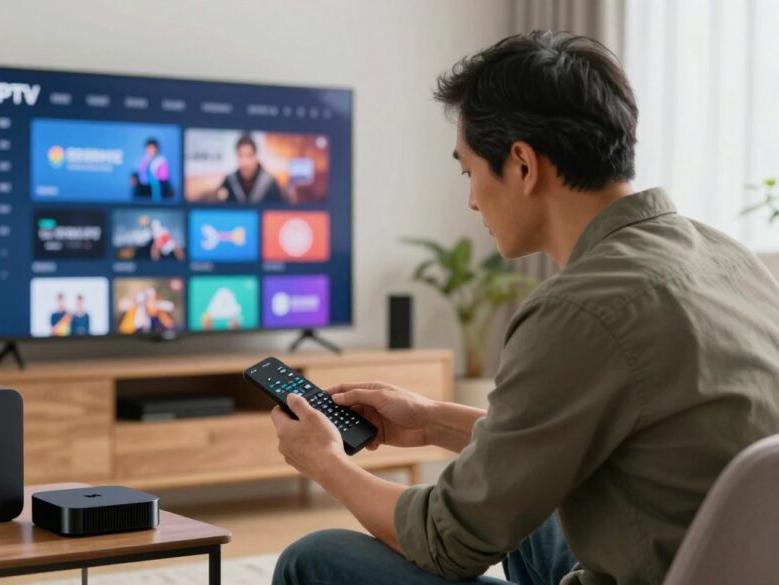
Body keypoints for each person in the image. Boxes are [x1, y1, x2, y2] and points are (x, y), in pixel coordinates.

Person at [271, 31, 779, 585]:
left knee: (314, 560)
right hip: (712, 562)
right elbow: (587, 442)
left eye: (469, 172)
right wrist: (432, 420)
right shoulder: (727, 256)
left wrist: (325, 462)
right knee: (527, 514)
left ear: (521, 164)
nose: (470, 199)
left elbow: (449, 541)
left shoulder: (578, 312)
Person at [216, 134, 284, 203]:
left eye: (249, 156)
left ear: (255, 156)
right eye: (241, 156)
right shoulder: (229, 181)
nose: (245, 162)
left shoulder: (270, 183)